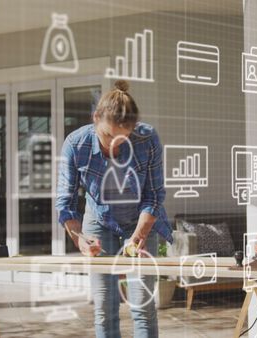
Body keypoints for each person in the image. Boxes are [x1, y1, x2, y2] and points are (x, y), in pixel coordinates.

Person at [56, 80, 173, 338]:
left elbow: (154, 195)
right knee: (104, 307)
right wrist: (80, 239)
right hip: (98, 222)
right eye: (108, 136)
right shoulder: (76, 145)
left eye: (123, 138)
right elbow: (65, 203)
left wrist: (140, 235)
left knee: (142, 305)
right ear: (96, 118)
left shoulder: (148, 138)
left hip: (140, 222)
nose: (114, 146)